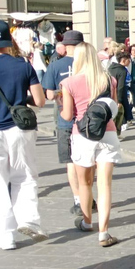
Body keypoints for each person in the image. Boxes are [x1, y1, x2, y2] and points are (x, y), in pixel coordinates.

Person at [60, 43, 121, 247]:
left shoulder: (68, 83)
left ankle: (87, 223)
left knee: (85, 183)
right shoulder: (109, 79)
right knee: (105, 185)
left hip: (83, 135)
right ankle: (104, 233)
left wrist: (61, 110)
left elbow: (68, 116)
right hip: (108, 132)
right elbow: (114, 107)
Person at [0, 21, 48, 250]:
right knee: (25, 175)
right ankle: (29, 220)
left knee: (0, 182)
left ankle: (5, 236)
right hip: (19, 128)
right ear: (9, 43)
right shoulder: (22, 65)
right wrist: (19, 102)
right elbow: (39, 101)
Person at [42, 30, 97, 218]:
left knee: (71, 161)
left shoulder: (56, 65)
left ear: (65, 46)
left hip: (66, 120)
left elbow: (49, 94)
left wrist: (61, 95)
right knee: (90, 159)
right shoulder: (91, 65)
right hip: (90, 120)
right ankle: (89, 192)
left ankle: (78, 199)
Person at [107, 52, 130, 135]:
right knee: (119, 115)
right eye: (129, 60)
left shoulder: (111, 67)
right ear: (123, 60)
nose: (130, 62)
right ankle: (116, 132)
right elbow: (120, 86)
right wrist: (119, 101)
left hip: (108, 93)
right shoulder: (122, 71)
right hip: (118, 95)